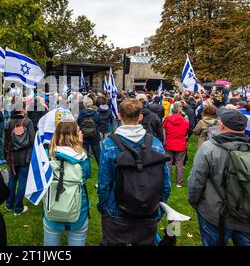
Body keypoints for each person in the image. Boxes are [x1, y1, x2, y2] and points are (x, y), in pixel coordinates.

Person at [97, 99, 171, 246]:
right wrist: (158, 208)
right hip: (149, 208)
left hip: (116, 211)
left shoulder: (108, 144)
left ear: (119, 116)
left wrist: (104, 207)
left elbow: (104, 182)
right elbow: (166, 183)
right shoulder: (156, 143)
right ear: (140, 117)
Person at [188, 109, 250, 246]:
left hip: (214, 213)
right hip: (245, 213)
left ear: (221, 125)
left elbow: (196, 181)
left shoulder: (208, 148)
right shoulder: (210, 148)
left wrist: (194, 202)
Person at [43, 120, 91, 246]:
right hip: (78, 210)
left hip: (51, 208)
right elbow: (87, 175)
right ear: (75, 135)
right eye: (79, 131)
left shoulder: (47, 156)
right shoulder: (83, 159)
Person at [4, 103, 35, 215]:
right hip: (25, 156)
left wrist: (5, 155)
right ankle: (18, 208)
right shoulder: (28, 122)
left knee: (12, 180)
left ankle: (9, 205)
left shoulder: (8, 122)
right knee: (22, 181)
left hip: (12, 157)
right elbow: (32, 140)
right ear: (23, 109)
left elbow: (6, 141)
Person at [162, 102, 190, 188]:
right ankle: (179, 182)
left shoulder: (167, 119)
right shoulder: (185, 121)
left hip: (169, 143)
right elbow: (186, 133)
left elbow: (163, 130)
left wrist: (164, 140)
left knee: (168, 163)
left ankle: (168, 180)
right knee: (179, 163)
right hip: (180, 144)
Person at [77, 97, 102, 165]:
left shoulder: (81, 113)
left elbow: (79, 123)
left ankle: (86, 170)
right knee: (98, 154)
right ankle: (101, 169)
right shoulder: (96, 114)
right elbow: (100, 123)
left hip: (84, 136)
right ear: (92, 104)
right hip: (95, 136)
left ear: (84, 104)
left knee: (85, 154)